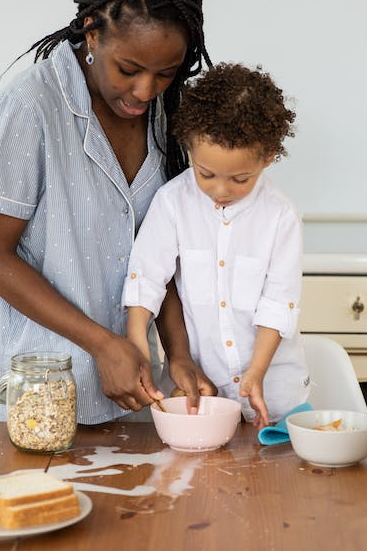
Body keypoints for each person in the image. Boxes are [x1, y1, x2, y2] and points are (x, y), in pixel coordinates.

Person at [0, 0, 217, 424]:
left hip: (140, 389)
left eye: (165, 73)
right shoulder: (28, 108)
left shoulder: (162, 112)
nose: (145, 90)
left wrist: (178, 353)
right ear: (92, 32)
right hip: (44, 393)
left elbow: (157, 250)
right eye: (128, 69)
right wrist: (103, 345)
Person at [122, 63, 309, 428]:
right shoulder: (172, 202)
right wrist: (136, 345)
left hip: (274, 395)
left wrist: (255, 373)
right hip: (202, 397)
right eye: (205, 173)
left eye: (240, 179)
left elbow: (277, 305)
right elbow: (146, 276)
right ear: (189, 149)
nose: (221, 191)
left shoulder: (280, 217)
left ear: (268, 158)